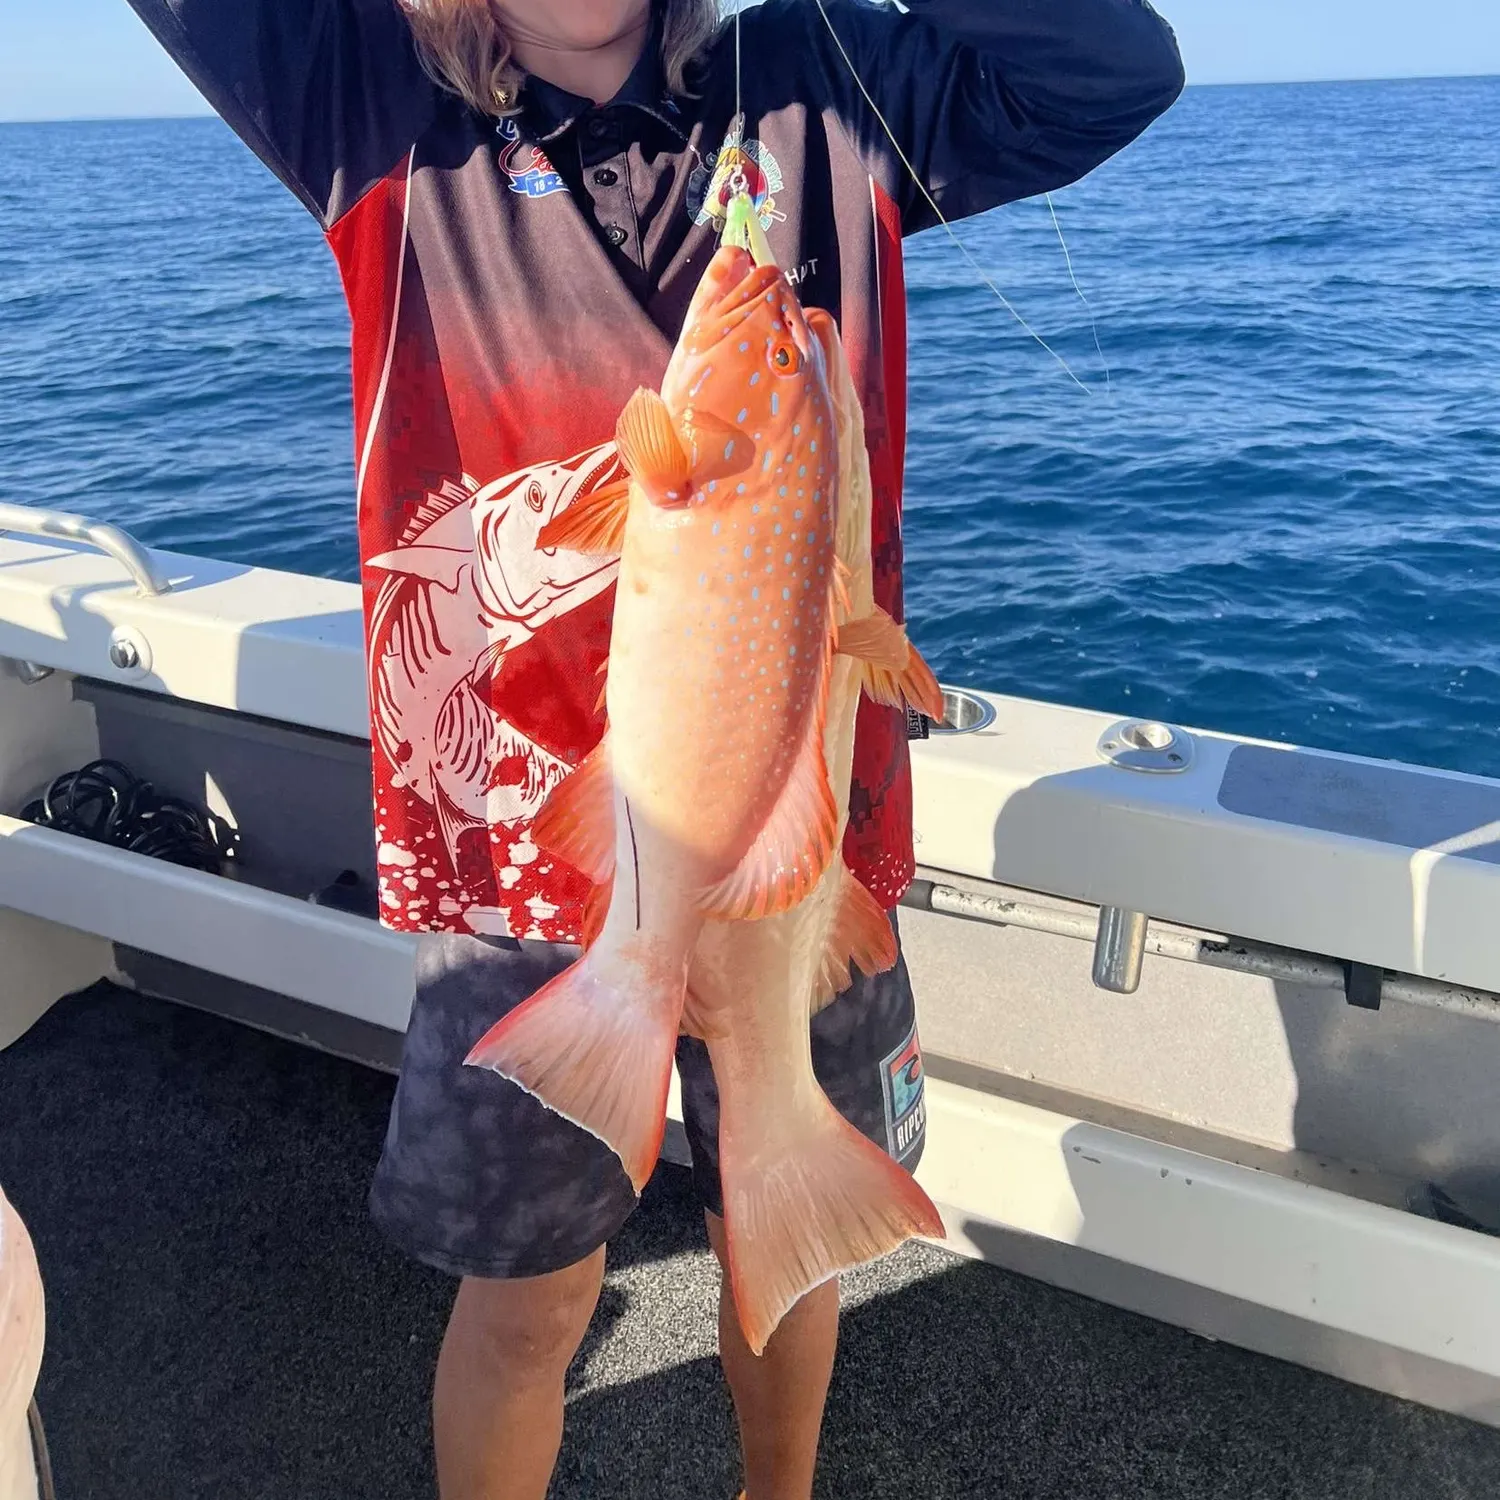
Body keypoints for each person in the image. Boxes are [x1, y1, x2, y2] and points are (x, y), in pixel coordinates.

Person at [124, 1, 1184, 1495]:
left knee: (783, 1217)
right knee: (533, 1295)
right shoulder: (366, 99)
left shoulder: (827, 85)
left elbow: (1113, 70)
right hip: (519, 854)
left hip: (808, 836)